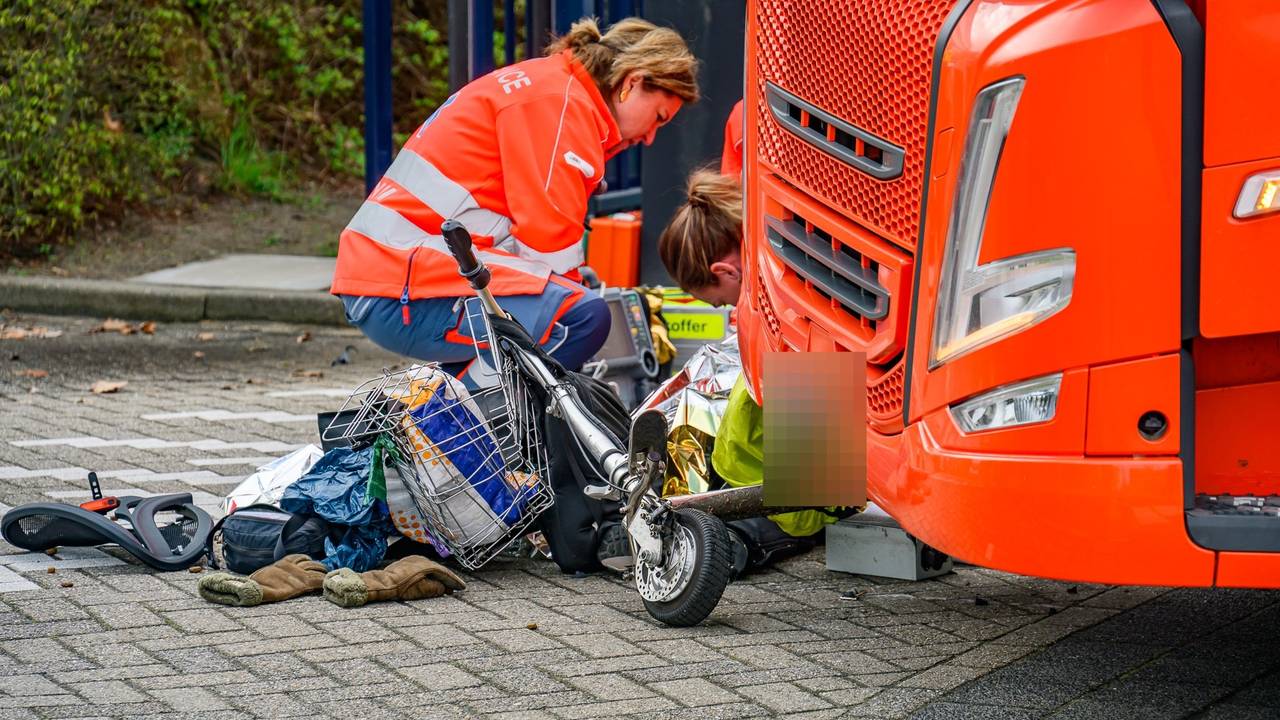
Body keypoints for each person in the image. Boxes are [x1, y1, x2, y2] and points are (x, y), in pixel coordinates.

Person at [332, 17, 699, 385]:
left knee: (562, 310)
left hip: (393, 275)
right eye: (658, 117)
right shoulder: (562, 108)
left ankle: (444, 421)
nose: (651, 136)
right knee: (582, 320)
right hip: (402, 282)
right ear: (631, 83)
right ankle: (470, 431)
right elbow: (548, 244)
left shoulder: (552, 87)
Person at [656, 107, 846, 577]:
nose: (727, 310)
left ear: (725, 270)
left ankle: (741, 534)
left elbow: (815, 492)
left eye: (719, 300)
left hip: (804, 493)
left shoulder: (791, 305)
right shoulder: (792, 253)